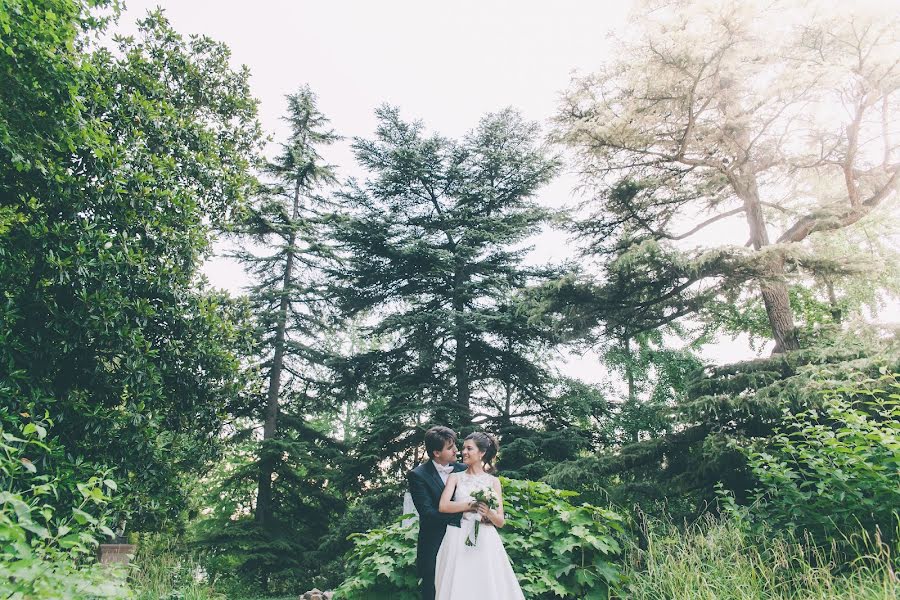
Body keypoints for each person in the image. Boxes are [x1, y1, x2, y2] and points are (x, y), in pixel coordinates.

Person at [434, 432, 525, 599]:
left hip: (485, 539)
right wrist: (472, 506)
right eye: (463, 448)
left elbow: (500, 521)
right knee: (460, 585)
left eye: (469, 448)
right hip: (458, 537)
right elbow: (444, 506)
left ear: (482, 453)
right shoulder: (455, 478)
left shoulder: (493, 482)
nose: (464, 452)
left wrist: (487, 512)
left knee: (486, 585)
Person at [407, 426, 471, 600]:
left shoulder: (464, 469)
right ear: (436, 452)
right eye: (450, 448)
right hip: (434, 545)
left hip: (463, 541)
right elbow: (428, 514)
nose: (456, 450)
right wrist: (463, 512)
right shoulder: (417, 475)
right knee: (432, 591)